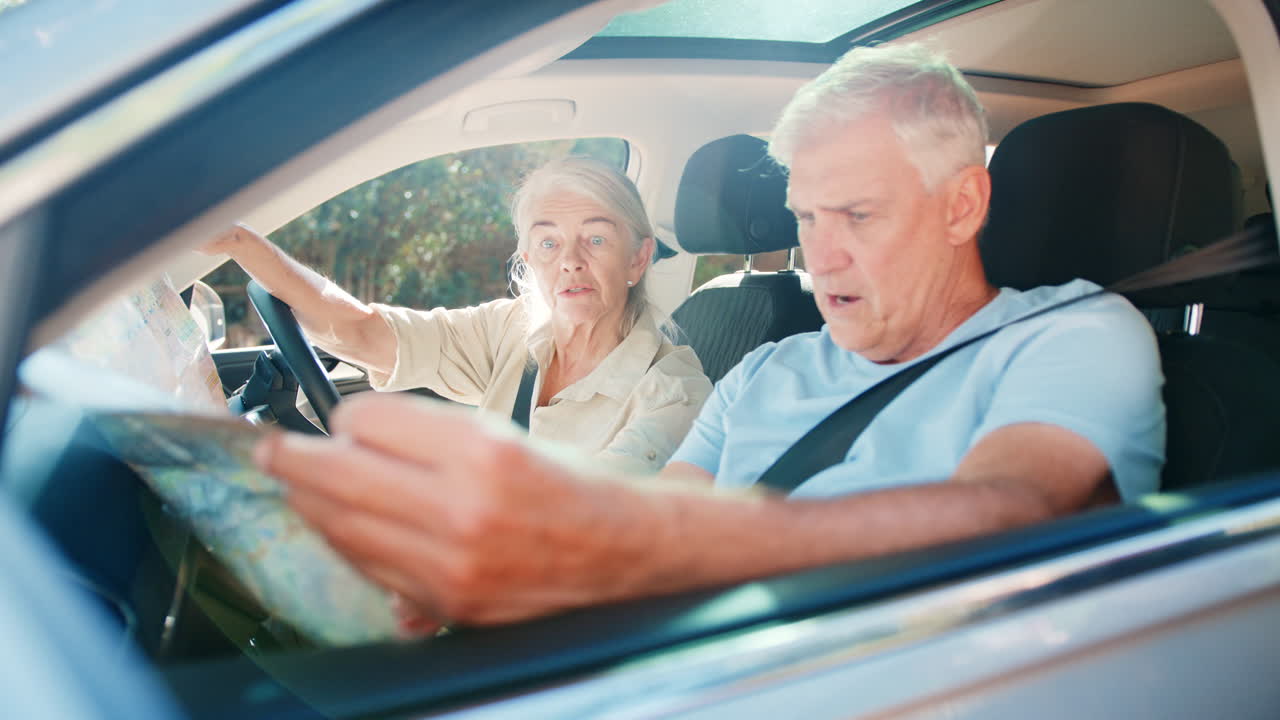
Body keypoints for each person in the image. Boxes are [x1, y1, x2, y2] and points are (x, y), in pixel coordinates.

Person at [254, 44, 1164, 628]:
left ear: (962, 204)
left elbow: (1015, 511)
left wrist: (614, 543)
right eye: (807, 216)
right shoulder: (767, 368)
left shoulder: (1077, 336)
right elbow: (673, 509)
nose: (823, 255)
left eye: (857, 213)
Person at [208, 158, 711, 473]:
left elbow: (589, 526)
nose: (570, 260)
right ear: (530, 257)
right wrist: (237, 242)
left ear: (638, 258)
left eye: (596, 238)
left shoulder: (673, 391)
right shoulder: (514, 330)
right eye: (549, 241)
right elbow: (364, 331)